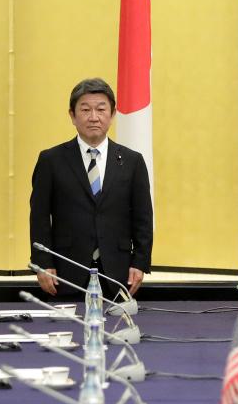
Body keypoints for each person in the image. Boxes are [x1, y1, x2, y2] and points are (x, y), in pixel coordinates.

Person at [30, 78, 153, 296]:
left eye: (101, 109)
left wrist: (140, 262)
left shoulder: (132, 161)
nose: (93, 117)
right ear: (72, 115)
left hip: (119, 271)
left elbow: (143, 217)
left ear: (113, 115)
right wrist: (42, 262)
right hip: (66, 269)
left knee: (117, 328)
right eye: (85, 109)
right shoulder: (51, 160)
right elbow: (39, 217)